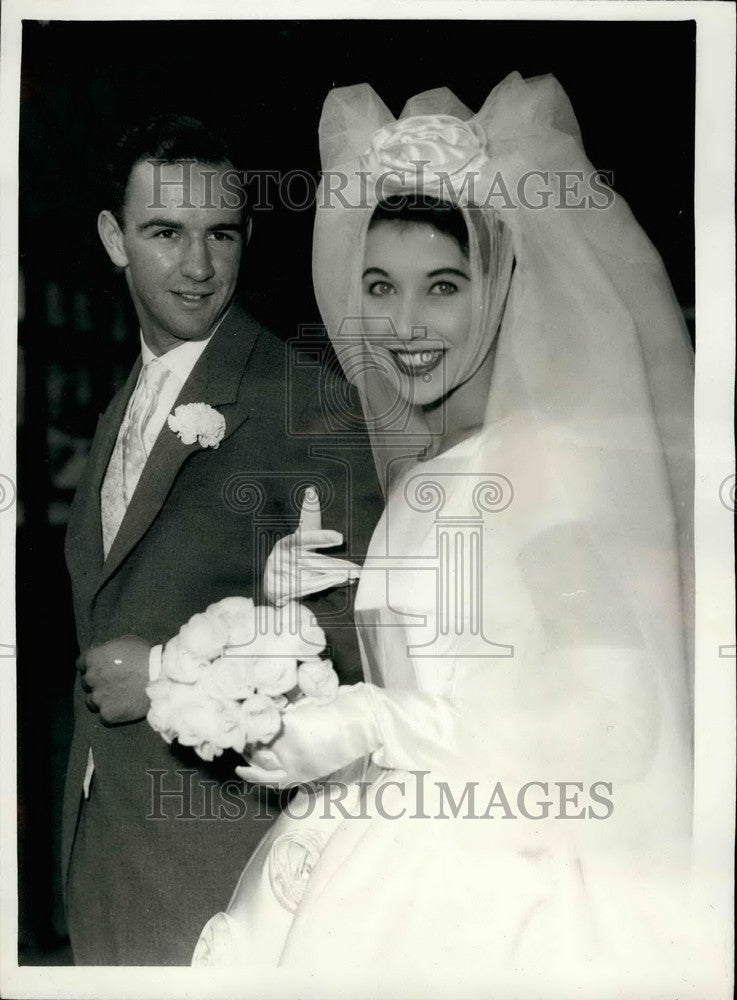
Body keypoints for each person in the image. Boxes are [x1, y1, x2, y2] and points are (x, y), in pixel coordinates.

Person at [190, 74, 695, 988]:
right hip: (379, 841)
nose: (405, 326)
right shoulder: (424, 468)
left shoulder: (544, 466)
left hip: (491, 889)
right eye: (379, 287)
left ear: (500, 284)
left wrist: (379, 722)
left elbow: (614, 725)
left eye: (443, 287)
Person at [63, 113, 381, 965]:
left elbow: (361, 654)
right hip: (104, 853)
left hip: (226, 869)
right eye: (165, 233)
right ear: (113, 238)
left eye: (221, 235)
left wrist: (165, 672)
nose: (199, 267)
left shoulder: (303, 402)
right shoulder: (121, 402)